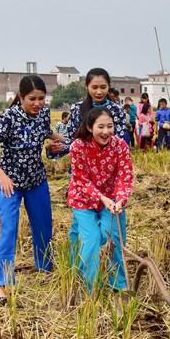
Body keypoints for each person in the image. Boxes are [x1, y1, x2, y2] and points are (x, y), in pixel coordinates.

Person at [0, 75, 65, 304]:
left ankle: (44, 270)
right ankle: (2, 284)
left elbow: (45, 133)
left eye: (41, 98)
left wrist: (59, 143)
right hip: (11, 184)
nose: (37, 103)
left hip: (37, 181)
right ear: (20, 97)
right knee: (9, 229)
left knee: (43, 226)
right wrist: (1, 175)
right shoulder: (8, 118)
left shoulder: (43, 114)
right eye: (32, 99)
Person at [67, 108, 133, 293]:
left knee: (113, 237)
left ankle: (119, 283)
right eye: (101, 127)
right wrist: (101, 198)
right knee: (92, 238)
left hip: (112, 198)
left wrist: (120, 199)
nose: (106, 131)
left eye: (110, 126)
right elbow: (80, 179)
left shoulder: (120, 146)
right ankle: (91, 285)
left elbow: (124, 175)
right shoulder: (78, 146)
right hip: (83, 199)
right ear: (90, 127)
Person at [49, 68, 130, 158]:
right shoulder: (77, 109)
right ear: (87, 86)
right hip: (82, 164)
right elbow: (72, 141)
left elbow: (119, 142)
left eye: (103, 87)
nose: (99, 92)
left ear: (109, 86)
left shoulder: (117, 110)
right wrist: (55, 150)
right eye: (94, 87)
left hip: (109, 164)